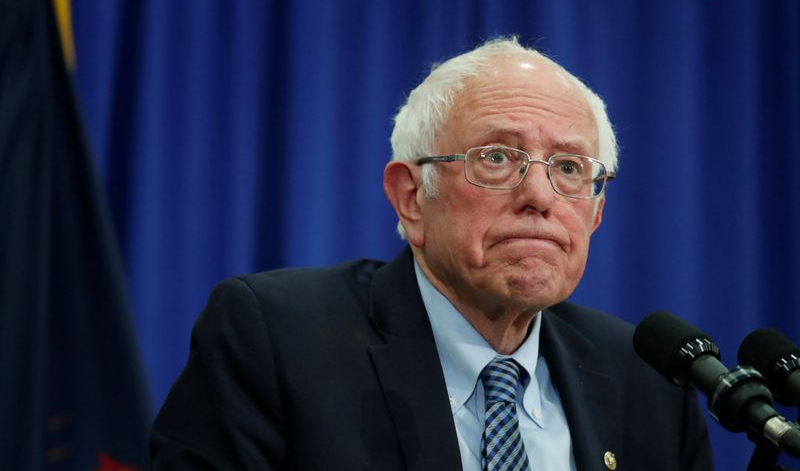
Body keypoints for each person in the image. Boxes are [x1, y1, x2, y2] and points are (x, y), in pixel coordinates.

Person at [150, 38, 713, 470]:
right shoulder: (276, 340)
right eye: (496, 157)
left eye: (569, 168)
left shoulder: (650, 383)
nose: (539, 196)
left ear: (595, 212)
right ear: (411, 198)